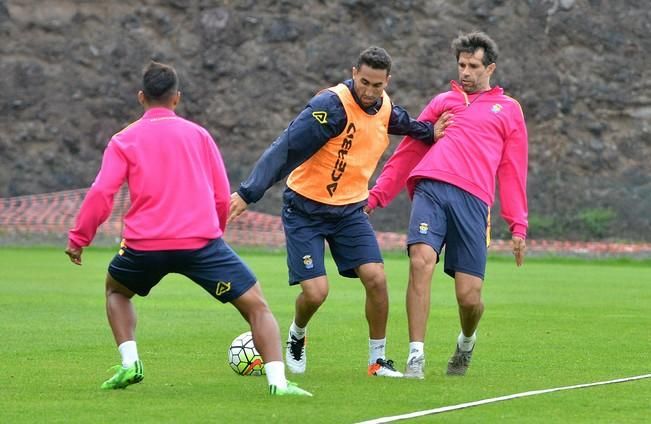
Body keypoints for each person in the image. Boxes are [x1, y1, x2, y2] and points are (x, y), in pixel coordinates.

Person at [65, 61, 311, 396]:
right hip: (200, 246)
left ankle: (129, 363)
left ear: (141, 97)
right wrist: (215, 232)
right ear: (176, 98)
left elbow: (102, 192)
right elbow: (220, 193)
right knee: (257, 306)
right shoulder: (199, 135)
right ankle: (278, 383)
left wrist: (80, 238)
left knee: (117, 291)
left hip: (144, 247)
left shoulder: (124, 140)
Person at [229, 46, 450, 378]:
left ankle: (378, 362)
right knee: (316, 293)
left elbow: (404, 123)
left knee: (376, 279)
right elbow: (285, 149)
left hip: (349, 211)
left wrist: (429, 132)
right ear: (353, 72)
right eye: (364, 82)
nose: (369, 91)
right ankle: (297, 333)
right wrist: (248, 193)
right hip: (305, 209)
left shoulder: (385, 107)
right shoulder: (329, 107)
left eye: (377, 85)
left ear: (387, 81)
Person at [367, 31, 528, 378]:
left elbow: (513, 171)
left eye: (473, 66)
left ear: (491, 68)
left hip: (473, 202)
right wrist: (377, 196)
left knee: (469, 298)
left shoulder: (509, 110)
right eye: (461, 65)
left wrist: (518, 225)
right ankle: (415, 357)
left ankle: (466, 342)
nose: (465, 72)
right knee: (420, 260)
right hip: (431, 189)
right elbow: (408, 151)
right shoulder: (442, 102)